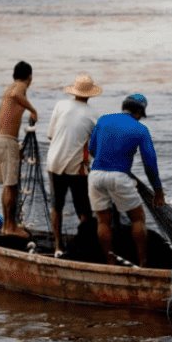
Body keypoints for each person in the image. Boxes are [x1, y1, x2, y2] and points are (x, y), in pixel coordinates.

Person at [88, 93, 165, 267]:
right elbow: (150, 164)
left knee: (103, 221)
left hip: (95, 174)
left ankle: (110, 263)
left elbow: (92, 149)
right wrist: (158, 190)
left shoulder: (103, 120)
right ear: (138, 111)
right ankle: (143, 263)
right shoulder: (140, 129)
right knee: (138, 219)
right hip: (120, 177)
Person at [46, 74, 103, 257]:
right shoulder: (94, 115)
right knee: (84, 210)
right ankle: (83, 246)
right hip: (76, 168)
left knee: (57, 206)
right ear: (90, 94)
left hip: (54, 162)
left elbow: (51, 135)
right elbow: (95, 148)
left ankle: (57, 246)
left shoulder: (60, 106)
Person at [0, 60, 38, 238]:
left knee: (8, 186)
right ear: (29, 77)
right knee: (11, 186)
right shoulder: (19, 87)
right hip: (6, 141)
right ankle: (10, 227)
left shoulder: (9, 87)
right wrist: (33, 110)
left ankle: (7, 226)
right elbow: (16, 94)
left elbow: (13, 96)